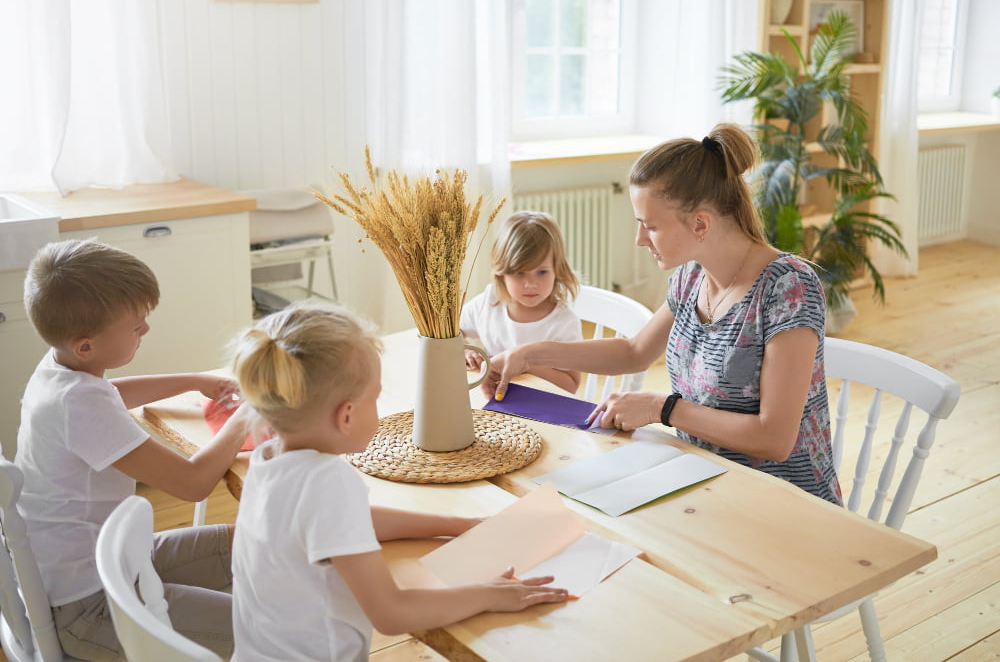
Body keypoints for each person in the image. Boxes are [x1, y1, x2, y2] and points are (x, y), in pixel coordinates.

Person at [484, 124, 842, 505]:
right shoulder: (691, 276)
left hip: (782, 501)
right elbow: (635, 351)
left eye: (650, 226)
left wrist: (662, 408)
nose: (639, 240)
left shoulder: (788, 288)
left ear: (700, 223)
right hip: (701, 479)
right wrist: (529, 353)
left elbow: (774, 439)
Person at [229, 301, 568, 661]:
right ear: (346, 415)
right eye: (375, 398)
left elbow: (350, 519)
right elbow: (391, 613)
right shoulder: (328, 481)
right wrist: (491, 594)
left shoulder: (269, 458)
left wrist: (460, 525)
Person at [16, 239, 252, 660]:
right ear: (86, 346)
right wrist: (247, 417)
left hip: (104, 564)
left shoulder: (60, 370)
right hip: (87, 607)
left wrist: (194, 380)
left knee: (256, 543)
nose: (146, 330)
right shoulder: (77, 406)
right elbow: (194, 482)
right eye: (136, 325)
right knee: (265, 628)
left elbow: (109, 392)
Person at [460, 210, 583, 393]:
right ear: (502, 273)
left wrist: (524, 364)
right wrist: (465, 350)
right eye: (519, 273)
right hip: (494, 399)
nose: (531, 284)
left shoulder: (563, 323)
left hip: (540, 406)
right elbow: (453, 332)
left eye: (542, 272)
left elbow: (571, 384)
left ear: (557, 269)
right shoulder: (488, 302)